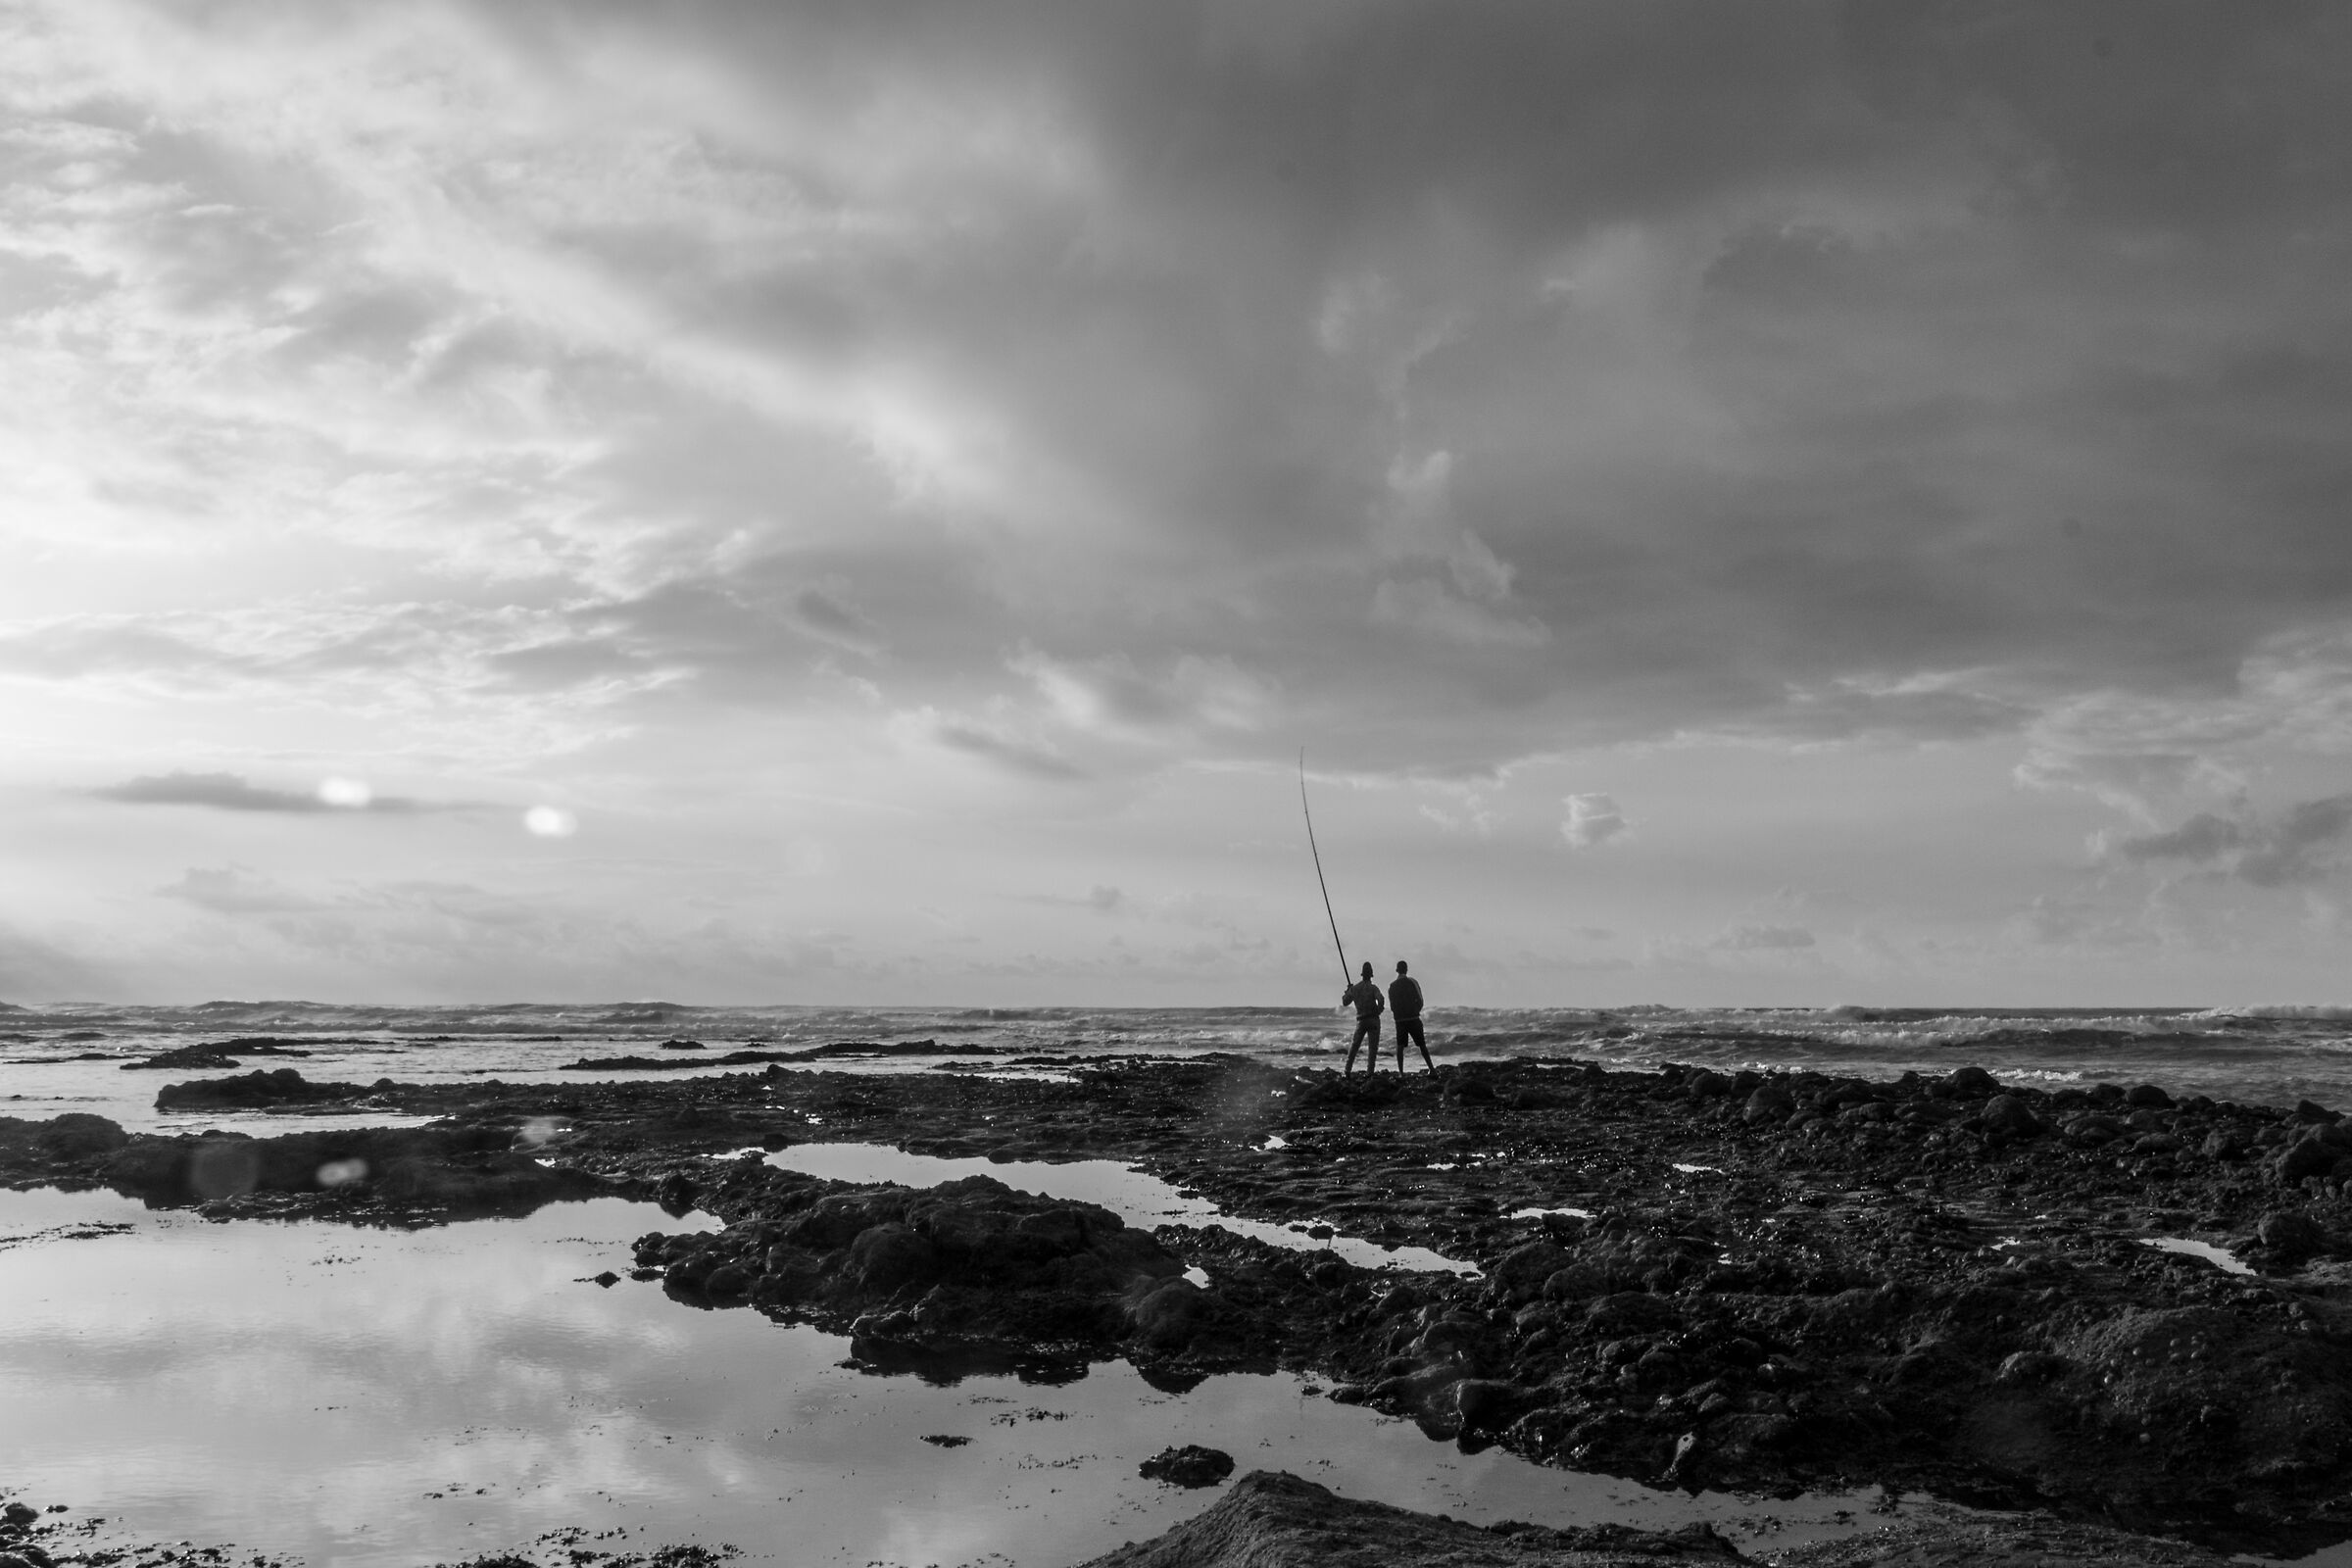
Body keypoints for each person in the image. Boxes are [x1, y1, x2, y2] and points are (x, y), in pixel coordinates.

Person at [1389, 959, 1434, 1073]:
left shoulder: (1392, 986)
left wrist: (1397, 1015)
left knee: (1400, 1046)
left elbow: (1392, 1005)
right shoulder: (1412, 982)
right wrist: (1415, 1010)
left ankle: (1401, 1073)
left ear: (1397, 970)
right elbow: (1420, 999)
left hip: (1400, 1020)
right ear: (1407, 970)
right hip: (1413, 1018)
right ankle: (1431, 1069)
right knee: (1422, 1045)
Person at [1341, 960, 1384, 1075]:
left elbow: (1345, 1002)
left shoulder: (1355, 989)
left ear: (1362, 974)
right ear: (1371, 975)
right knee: (1372, 1049)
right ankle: (1370, 1072)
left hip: (1361, 1020)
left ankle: (1347, 1070)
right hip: (1373, 1019)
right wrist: (1379, 1010)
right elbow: (1381, 999)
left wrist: (1348, 990)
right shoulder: (1373, 988)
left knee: (1354, 1047)